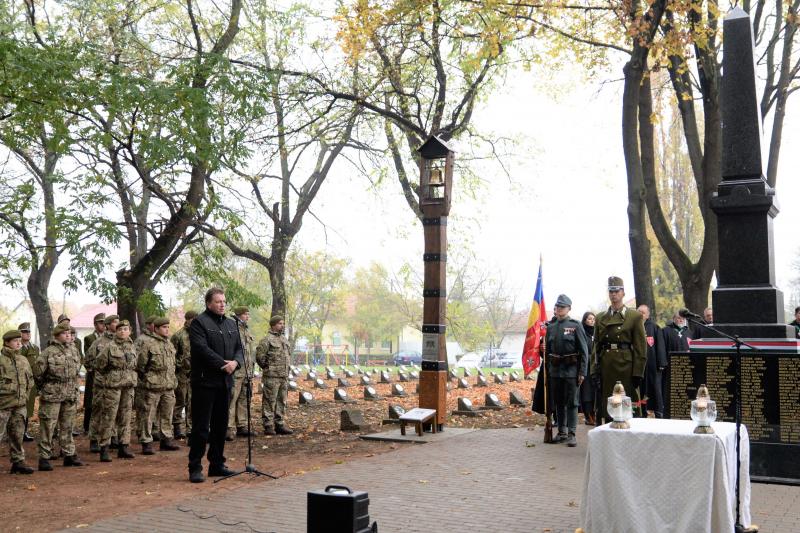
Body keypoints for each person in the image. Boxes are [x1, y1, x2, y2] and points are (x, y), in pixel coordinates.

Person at [187, 287, 244, 483]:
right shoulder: (199, 323)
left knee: (221, 426)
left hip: (225, 383)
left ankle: (217, 464)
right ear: (209, 303)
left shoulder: (231, 324)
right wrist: (223, 365)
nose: (222, 305)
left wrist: (235, 363)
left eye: (224, 301)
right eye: (218, 301)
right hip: (205, 383)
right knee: (201, 428)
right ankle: (195, 467)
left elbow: (239, 348)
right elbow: (201, 349)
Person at [591, 276, 647, 422]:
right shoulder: (600, 317)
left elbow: (641, 347)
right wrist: (594, 369)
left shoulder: (634, 316)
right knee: (610, 406)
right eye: (611, 291)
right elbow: (595, 346)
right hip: (606, 365)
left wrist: (638, 373)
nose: (613, 294)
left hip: (626, 366)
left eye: (616, 291)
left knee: (628, 406)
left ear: (623, 293)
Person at [34, 325, 85, 470]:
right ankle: (44, 457)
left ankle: (69, 454)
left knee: (68, 425)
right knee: (48, 426)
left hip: (70, 393)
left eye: (69, 333)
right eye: (64, 333)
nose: (68, 335)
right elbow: (37, 373)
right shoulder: (48, 352)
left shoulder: (74, 350)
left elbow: (77, 369)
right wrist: (46, 387)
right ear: (57, 335)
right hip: (53, 394)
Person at [545, 295, 589, 447]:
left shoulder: (575, 326)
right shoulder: (550, 328)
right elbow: (548, 352)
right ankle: (562, 432)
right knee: (559, 402)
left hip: (571, 370)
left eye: (562, 307)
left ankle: (572, 433)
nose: (559, 310)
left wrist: (582, 372)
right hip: (555, 371)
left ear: (569, 308)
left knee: (572, 402)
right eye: (557, 307)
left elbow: (584, 351)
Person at [94, 319, 138, 462]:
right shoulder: (109, 347)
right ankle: (104, 448)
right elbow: (99, 365)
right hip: (113, 386)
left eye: (125, 329)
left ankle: (123, 447)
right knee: (109, 417)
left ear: (129, 331)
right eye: (119, 329)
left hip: (128, 385)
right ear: (116, 332)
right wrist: (112, 375)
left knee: (126, 416)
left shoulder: (132, 346)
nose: (122, 332)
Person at [136, 317, 180, 455]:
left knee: (167, 414)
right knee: (148, 415)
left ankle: (166, 439)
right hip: (152, 386)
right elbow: (140, 365)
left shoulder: (169, 344)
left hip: (168, 385)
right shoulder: (148, 343)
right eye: (164, 327)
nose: (167, 329)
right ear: (156, 328)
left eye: (168, 326)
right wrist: (147, 379)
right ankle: (146, 441)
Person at [1, 330, 35, 474]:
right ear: (7, 343)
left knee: (17, 435)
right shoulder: (1, 360)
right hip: (3, 405)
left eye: (19, 341)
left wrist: (25, 396)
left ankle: (18, 462)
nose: (19, 343)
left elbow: (30, 380)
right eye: (15, 341)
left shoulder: (23, 360)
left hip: (19, 405)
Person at [85, 314, 120, 453]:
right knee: (98, 410)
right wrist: (100, 370)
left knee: (114, 411)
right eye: (115, 322)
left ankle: (112, 436)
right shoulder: (99, 342)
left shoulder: (121, 341)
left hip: (117, 383)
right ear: (108, 325)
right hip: (102, 383)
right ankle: (94, 439)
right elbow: (88, 361)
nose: (117, 324)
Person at [256, 316, 294, 436]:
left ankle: (280, 424)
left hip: (283, 376)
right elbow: (260, 357)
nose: (282, 325)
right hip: (272, 376)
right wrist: (268, 368)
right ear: (273, 325)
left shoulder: (284, 339)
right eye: (279, 323)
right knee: (269, 401)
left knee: (281, 401)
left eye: (283, 323)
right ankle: (268, 426)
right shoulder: (266, 339)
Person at [228, 306, 255, 440]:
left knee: (244, 399)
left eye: (248, 314)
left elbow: (249, 353)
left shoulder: (246, 331)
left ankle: (242, 425)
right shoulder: (233, 329)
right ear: (239, 315)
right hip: (236, 371)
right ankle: (229, 428)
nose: (247, 317)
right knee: (232, 399)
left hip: (247, 371)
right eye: (245, 314)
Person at [637, 305, 667, 418]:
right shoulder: (633, 327)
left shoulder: (654, 327)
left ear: (648, 314)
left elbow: (660, 346)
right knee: (641, 390)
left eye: (643, 312)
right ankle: (641, 411)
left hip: (652, 365)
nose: (641, 314)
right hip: (638, 366)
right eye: (639, 312)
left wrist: (661, 363)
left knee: (655, 389)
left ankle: (659, 412)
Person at [171, 310, 196, 439]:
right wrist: (180, 365)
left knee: (193, 401)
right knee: (180, 400)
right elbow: (171, 355)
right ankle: (177, 427)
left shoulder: (199, 334)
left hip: (195, 373)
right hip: (181, 373)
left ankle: (191, 428)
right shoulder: (178, 336)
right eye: (193, 319)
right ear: (187, 320)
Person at [81, 313, 105, 436]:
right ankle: (87, 426)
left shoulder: (109, 338)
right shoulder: (89, 338)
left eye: (104, 323)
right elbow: (88, 356)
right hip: (93, 373)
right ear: (95, 325)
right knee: (90, 400)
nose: (103, 325)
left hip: (105, 375)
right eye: (101, 323)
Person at [18, 323, 39, 442]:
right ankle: (16, 433)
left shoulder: (35, 348)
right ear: (20, 333)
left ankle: (24, 432)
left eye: (29, 332)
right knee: (18, 407)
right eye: (25, 332)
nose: (28, 334)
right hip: (20, 382)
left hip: (31, 382)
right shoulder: (17, 348)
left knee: (28, 408)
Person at [578, 312, 596, 425]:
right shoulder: (582, 332)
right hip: (586, 365)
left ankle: (594, 414)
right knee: (586, 392)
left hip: (596, 366)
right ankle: (588, 415)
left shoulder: (596, 333)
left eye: (593, 319)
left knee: (594, 392)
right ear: (585, 320)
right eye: (589, 319)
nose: (592, 321)